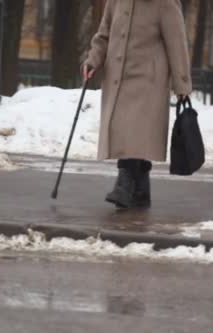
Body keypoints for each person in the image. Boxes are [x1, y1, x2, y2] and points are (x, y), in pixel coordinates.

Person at [83, 0, 192, 209]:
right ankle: (140, 191)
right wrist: (92, 60)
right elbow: (103, 36)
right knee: (127, 132)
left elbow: (177, 44)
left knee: (133, 132)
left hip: (148, 81)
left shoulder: (165, 3)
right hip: (117, 79)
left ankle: (124, 185)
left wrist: (182, 85)